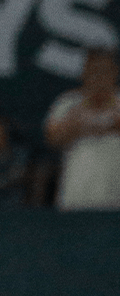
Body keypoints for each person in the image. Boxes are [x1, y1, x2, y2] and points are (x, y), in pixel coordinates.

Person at [44, 47, 120, 210]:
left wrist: (110, 115)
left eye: (104, 71)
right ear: (84, 73)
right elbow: (52, 138)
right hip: (78, 194)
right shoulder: (67, 102)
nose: (99, 77)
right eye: (94, 71)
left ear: (115, 72)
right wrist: (81, 115)